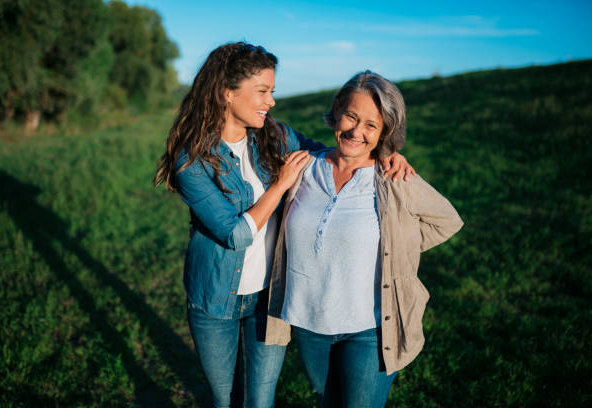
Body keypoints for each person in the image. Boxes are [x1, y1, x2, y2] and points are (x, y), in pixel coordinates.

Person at [154, 43, 415, 408]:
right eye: (263, 91)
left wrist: (386, 151)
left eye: (272, 92)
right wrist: (279, 186)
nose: (271, 101)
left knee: (260, 400)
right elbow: (235, 234)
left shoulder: (275, 136)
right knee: (224, 398)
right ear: (228, 93)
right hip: (215, 299)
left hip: (268, 297)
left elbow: (333, 154)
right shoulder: (191, 160)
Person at [265, 71, 464, 407]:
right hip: (309, 322)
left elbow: (447, 221)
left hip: (370, 328)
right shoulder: (303, 167)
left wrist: (396, 245)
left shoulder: (392, 177)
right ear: (337, 110)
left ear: (385, 131)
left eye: (371, 125)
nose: (357, 131)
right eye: (351, 117)